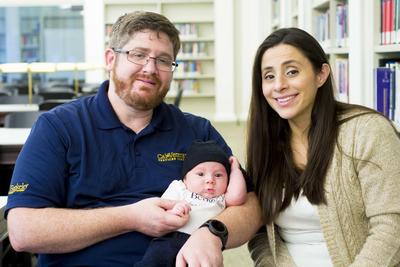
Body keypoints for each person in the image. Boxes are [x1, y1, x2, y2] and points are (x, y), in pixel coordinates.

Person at [4, 11, 263, 266]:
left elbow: (251, 207)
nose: (150, 69)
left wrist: (213, 232)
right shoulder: (58, 127)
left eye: (163, 60)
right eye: (137, 55)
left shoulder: (197, 131)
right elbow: (22, 231)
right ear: (110, 58)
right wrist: (131, 217)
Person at [246, 27, 400, 266]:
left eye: (292, 71)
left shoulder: (367, 131)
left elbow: (392, 227)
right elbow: (260, 232)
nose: (279, 85)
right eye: (269, 76)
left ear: (321, 74)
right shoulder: (265, 142)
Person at [135, 140, 247, 266]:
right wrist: (174, 210)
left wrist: (235, 169)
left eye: (218, 175)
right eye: (200, 174)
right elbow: (162, 208)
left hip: (203, 246)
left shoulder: (221, 198)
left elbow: (238, 197)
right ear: (185, 178)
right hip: (171, 239)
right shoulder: (180, 188)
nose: (210, 180)